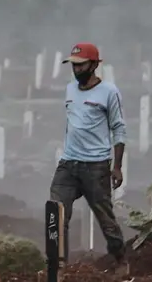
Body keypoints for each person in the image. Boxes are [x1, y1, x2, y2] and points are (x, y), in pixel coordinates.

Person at [50, 42, 129, 274]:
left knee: (105, 217)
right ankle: (57, 266)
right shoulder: (70, 90)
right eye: (73, 65)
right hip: (68, 163)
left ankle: (121, 261)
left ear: (94, 65)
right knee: (56, 212)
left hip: (96, 166)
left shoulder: (109, 92)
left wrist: (117, 167)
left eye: (81, 65)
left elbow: (119, 129)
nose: (76, 70)